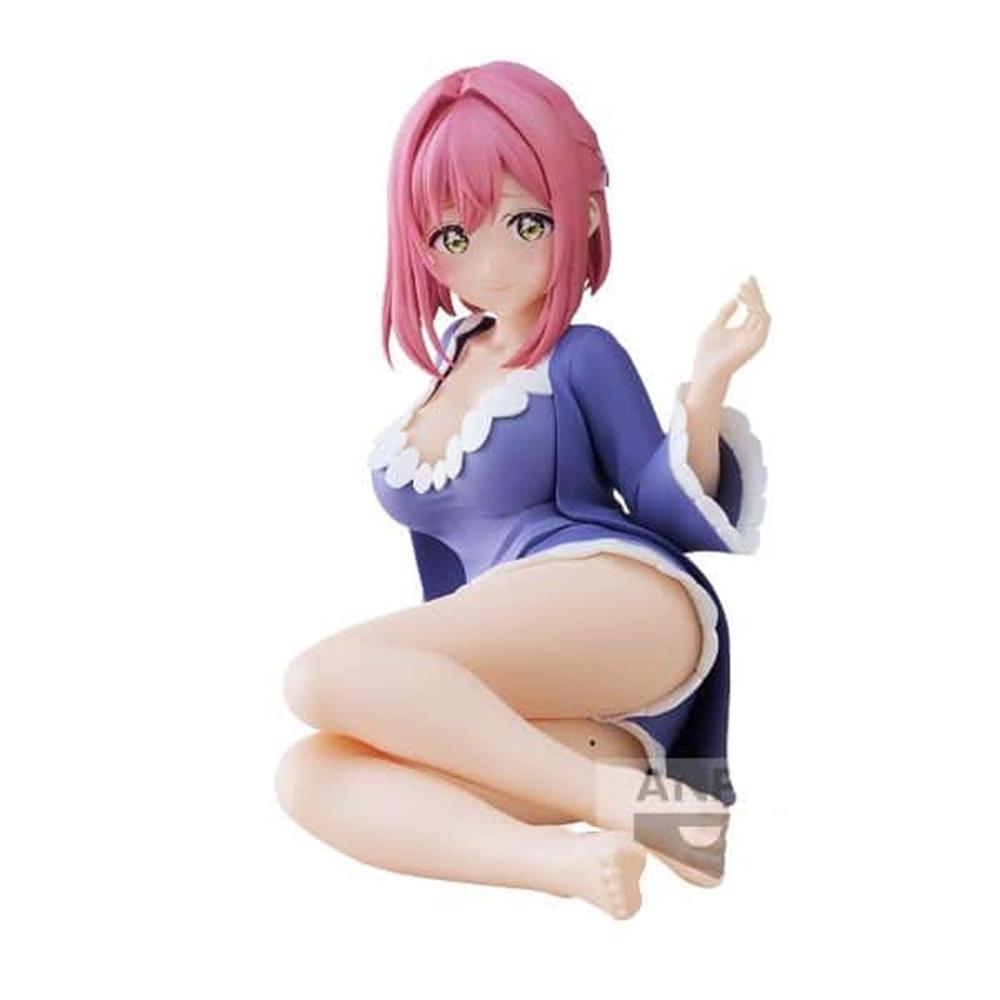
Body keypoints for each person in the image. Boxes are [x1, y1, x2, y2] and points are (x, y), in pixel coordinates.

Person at [276, 61, 770, 920]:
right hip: (578, 696)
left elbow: (657, 500)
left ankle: (611, 801)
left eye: (526, 222)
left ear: (584, 214)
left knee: (319, 677)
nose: (493, 261)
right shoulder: (450, 368)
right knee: (311, 771)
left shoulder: (580, 355)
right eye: (454, 235)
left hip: (613, 596)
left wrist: (705, 392)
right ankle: (580, 854)